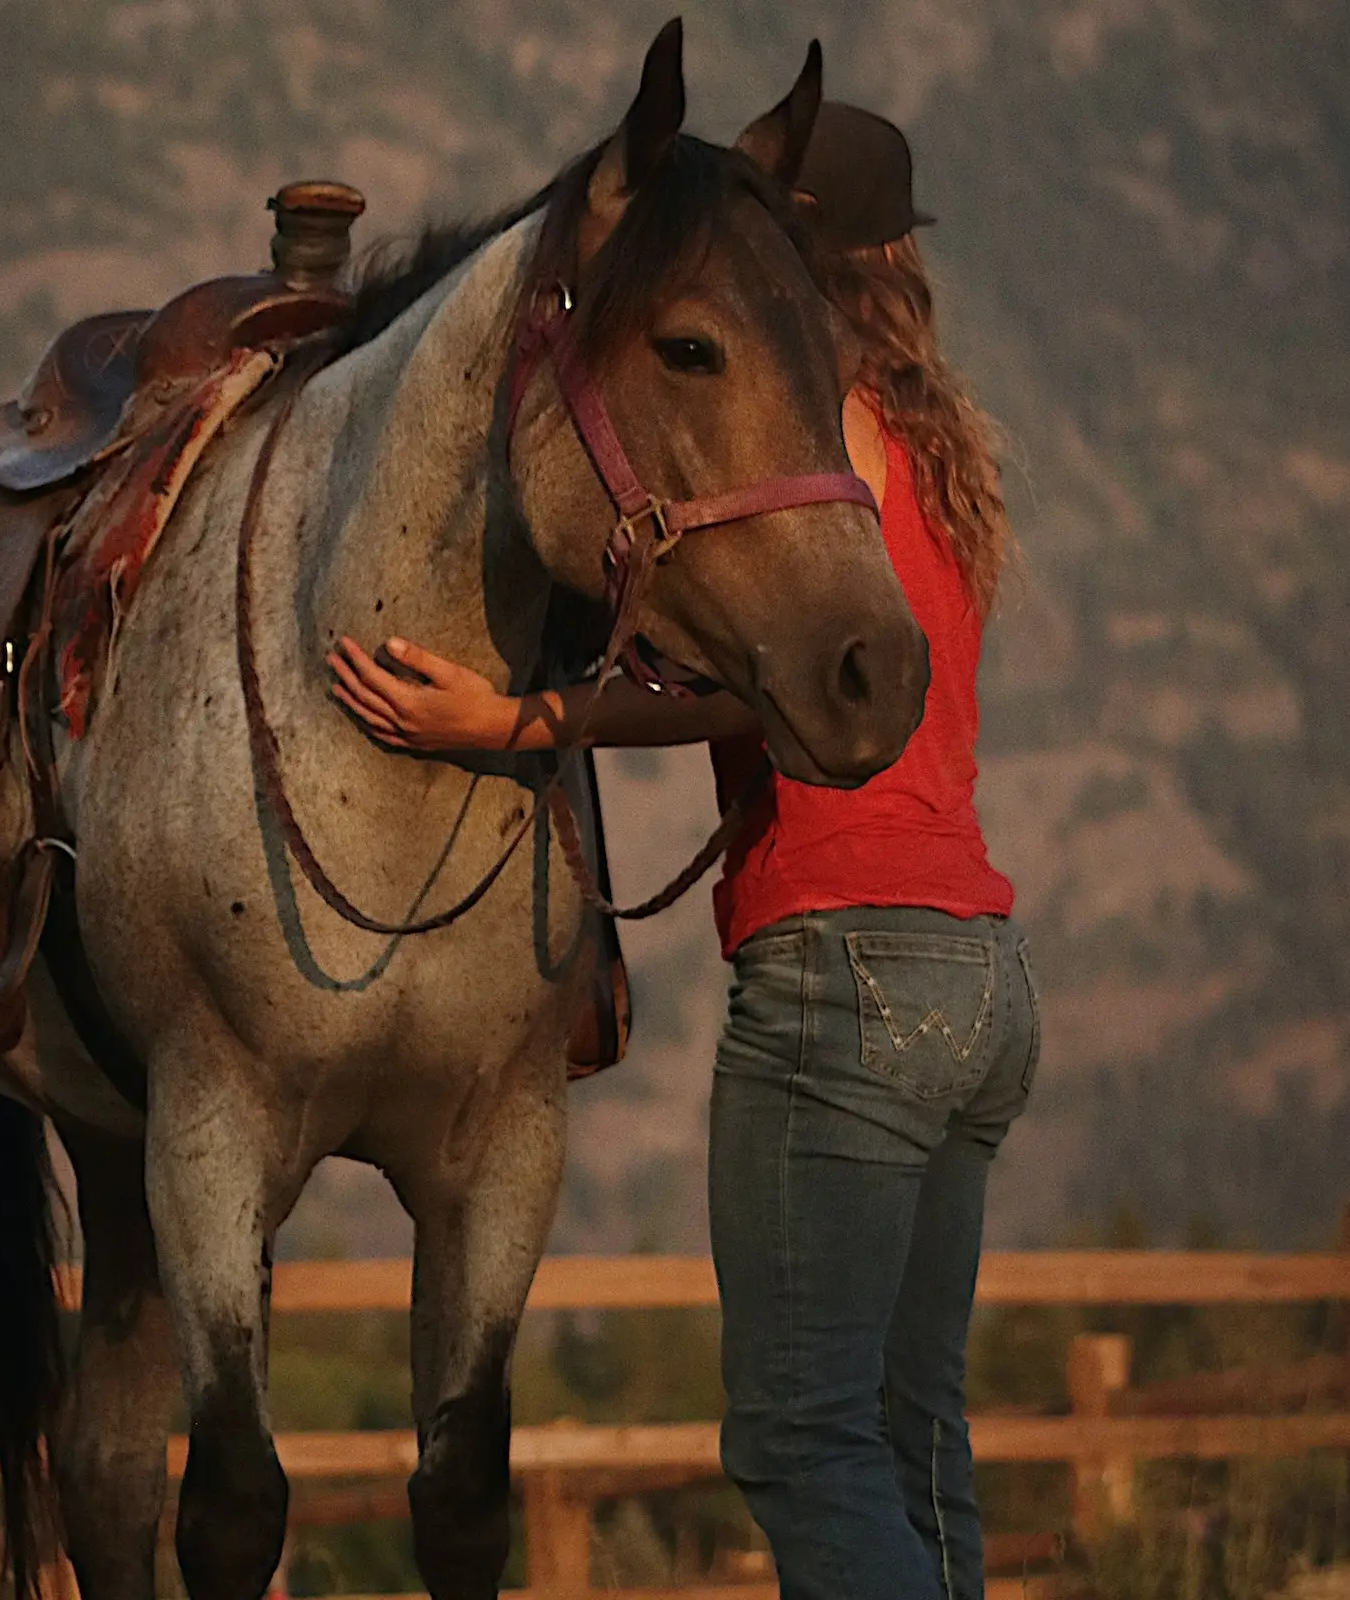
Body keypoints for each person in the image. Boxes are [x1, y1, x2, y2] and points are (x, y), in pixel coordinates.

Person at [328, 104, 1038, 1600]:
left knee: (803, 1446)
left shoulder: (811, 436)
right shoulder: (932, 447)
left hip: (844, 971)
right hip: (979, 970)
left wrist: (521, 719)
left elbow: (739, 680)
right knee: (917, 1444)